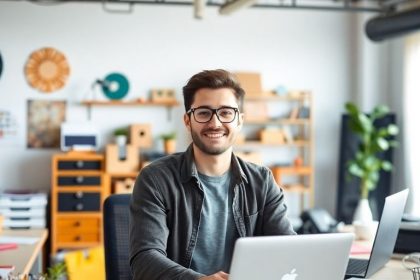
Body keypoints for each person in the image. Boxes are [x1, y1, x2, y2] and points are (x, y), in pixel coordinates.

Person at [129, 69, 295, 280]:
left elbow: (288, 250)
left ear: (240, 120)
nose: (215, 123)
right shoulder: (155, 179)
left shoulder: (262, 181)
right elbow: (144, 259)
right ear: (188, 120)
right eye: (204, 112)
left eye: (226, 112)